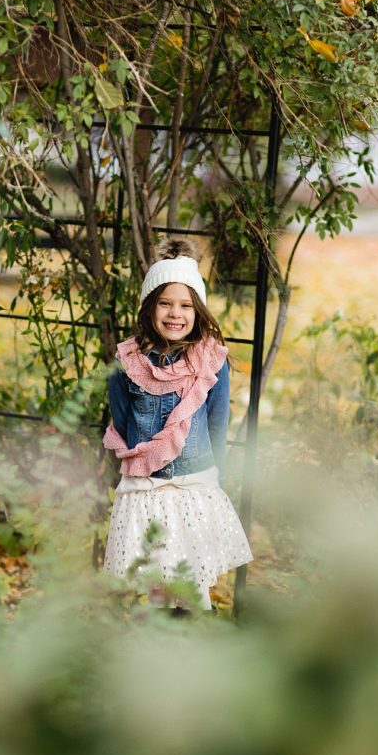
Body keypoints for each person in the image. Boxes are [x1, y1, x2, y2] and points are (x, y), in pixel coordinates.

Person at [102, 239, 253, 611]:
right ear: (150, 306)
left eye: (186, 305)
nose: (175, 313)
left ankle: (196, 642)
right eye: (165, 303)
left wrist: (217, 476)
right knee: (157, 582)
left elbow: (218, 422)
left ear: (198, 311)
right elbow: (121, 423)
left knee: (192, 582)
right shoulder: (128, 362)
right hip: (148, 489)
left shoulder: (209, 361)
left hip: (193, 488)